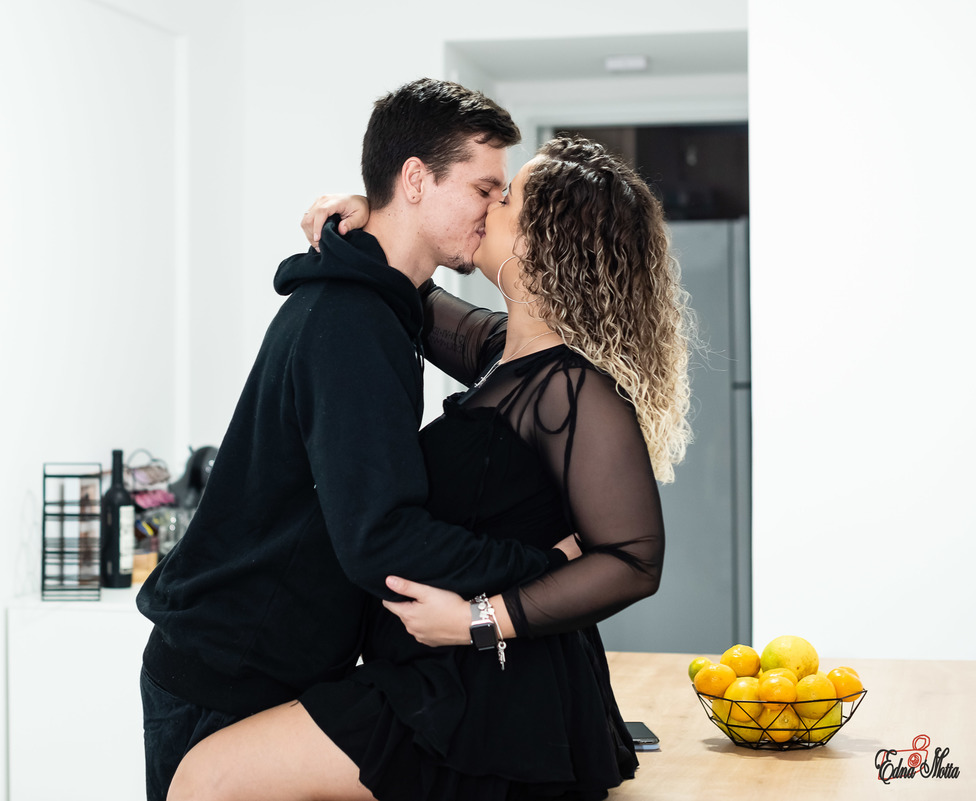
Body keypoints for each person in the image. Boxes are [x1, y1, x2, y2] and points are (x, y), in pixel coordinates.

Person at [167, 135, 693, 801]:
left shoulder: (574, 388)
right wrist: (379, 216)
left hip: (485, 692)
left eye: (505, 198)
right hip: (437, 674)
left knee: (208, 778)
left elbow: (635, 559)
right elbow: (405, 283)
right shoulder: (504, 353)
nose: (488, 206)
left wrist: (480, 619)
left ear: (543, 242)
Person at [135, 78, 574, 801]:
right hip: (229, 674)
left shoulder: (381, 305)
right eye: (484, 189)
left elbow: (504, 345)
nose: (495, 210)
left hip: (274, 664)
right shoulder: (352, 322)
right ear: (416, 180)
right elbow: (383, 539)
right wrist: (546, 566)